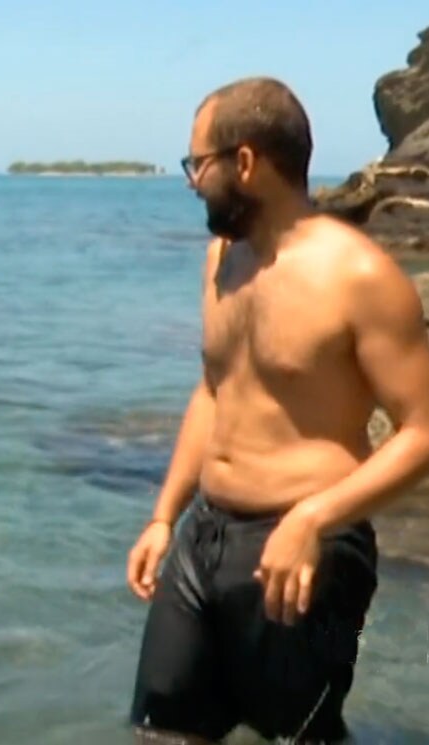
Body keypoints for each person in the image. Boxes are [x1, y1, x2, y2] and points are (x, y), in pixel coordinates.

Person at [126, 76, 429, 744]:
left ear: (243, 162)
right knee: (162, 732)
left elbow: (421, 433)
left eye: (195, 164)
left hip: (307, 543)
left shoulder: (359, 277)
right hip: (202, 537)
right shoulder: (220, 261)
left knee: (299, 737)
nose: (189, 182)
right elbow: (213, 390)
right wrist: (161, 516)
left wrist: (313, 516)